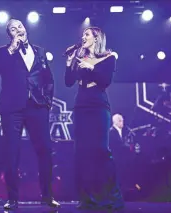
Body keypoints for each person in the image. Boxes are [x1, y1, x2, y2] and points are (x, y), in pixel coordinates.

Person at [0, 18, 60, 209]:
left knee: (45, 150)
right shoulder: (2, 52)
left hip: (37, 106)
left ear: (25, 29)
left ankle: (47, 195)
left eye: (20, 26)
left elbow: (48, 79)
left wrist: (48, 102)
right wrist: (11, 48)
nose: (18, 29)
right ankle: (12, 198)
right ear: (9, 34)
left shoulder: (40, 51)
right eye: (13, 28)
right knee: (12, 153)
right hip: (12, 109)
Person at [64, 26, 124, 210]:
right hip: (82, 105)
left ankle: (111, 196)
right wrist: (69, 63)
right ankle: (87, 197)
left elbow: (105, 81)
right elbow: (68, 82)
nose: (83, 37)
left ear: (96, 38)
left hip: (98, 105)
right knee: (82, 152)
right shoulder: (79, 57)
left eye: (87, 34)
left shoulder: (109, 57)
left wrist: (90, 67)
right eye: (83, 34)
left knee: (100, 150)